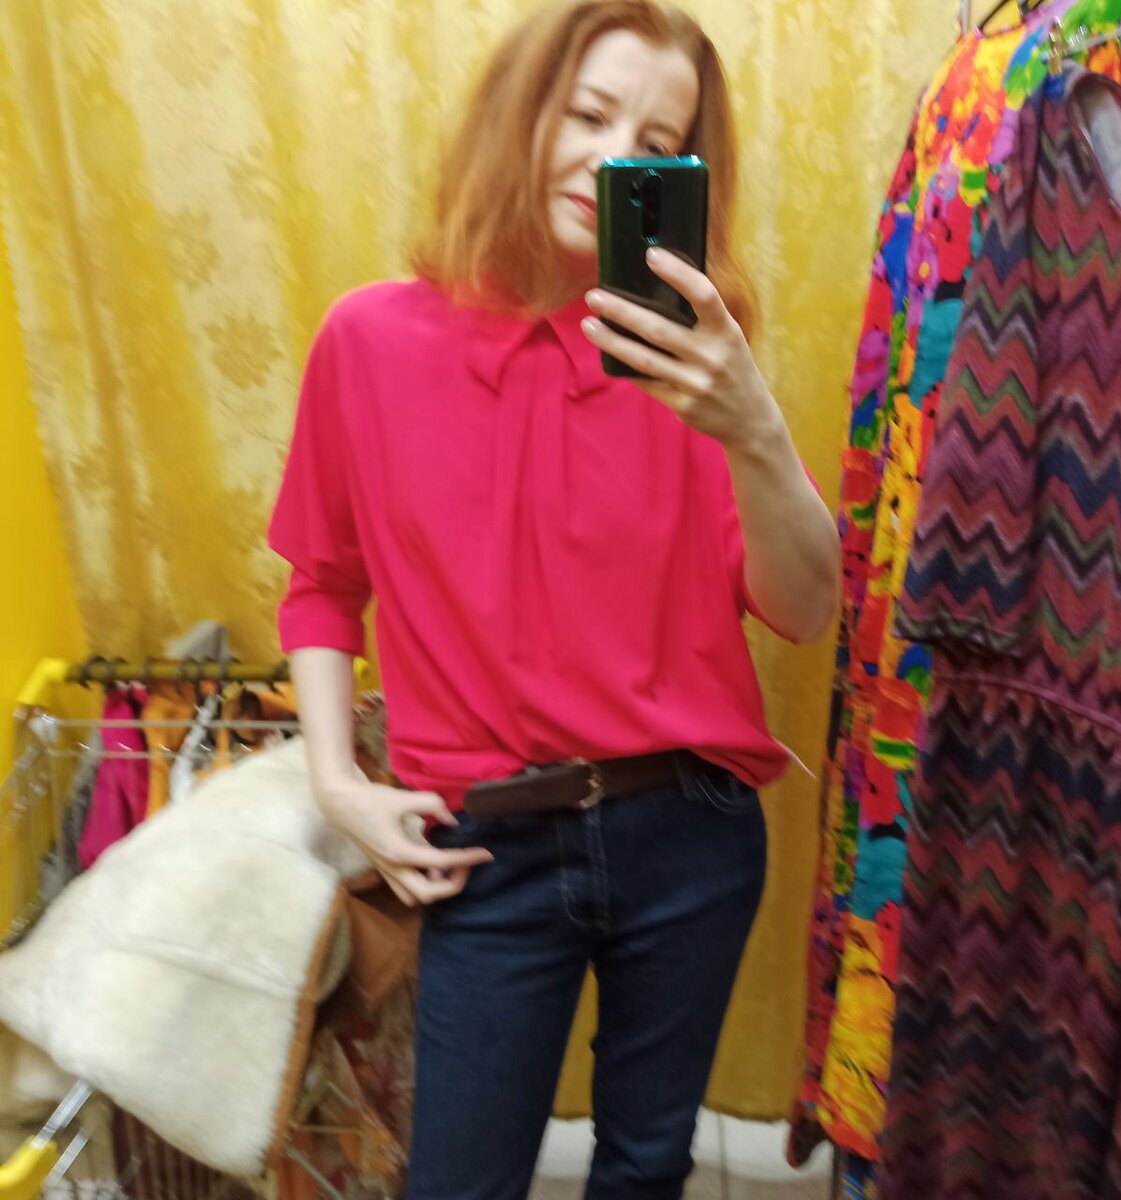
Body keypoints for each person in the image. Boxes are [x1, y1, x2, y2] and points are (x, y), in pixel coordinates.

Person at [268, 1, 839, 1196]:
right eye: (587, 113)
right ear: (521, 113)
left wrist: (757, 430)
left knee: (644, 1164)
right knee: (459, 1179)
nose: (612, 155)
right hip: (485, 843)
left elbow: (803, 607)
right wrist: (337, 783)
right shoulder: (368, 341)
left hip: (687, 828)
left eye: (656, 141)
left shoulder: (692, 360)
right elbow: (322, 584)